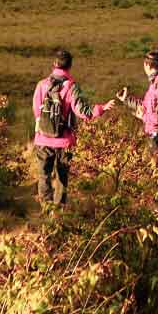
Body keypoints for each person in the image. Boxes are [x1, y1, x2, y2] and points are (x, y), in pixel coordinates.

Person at [31, 49, 116, 206]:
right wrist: (102, 108)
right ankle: (59, 211)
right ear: (69, 66)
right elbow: (83, 112)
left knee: (44, 175)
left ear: (54, 64)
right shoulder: (71, 87)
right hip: (64, 141)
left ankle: (46, 208)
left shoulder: (41, 85)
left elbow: (37, 110)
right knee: (62, 177)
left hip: (43, 138)